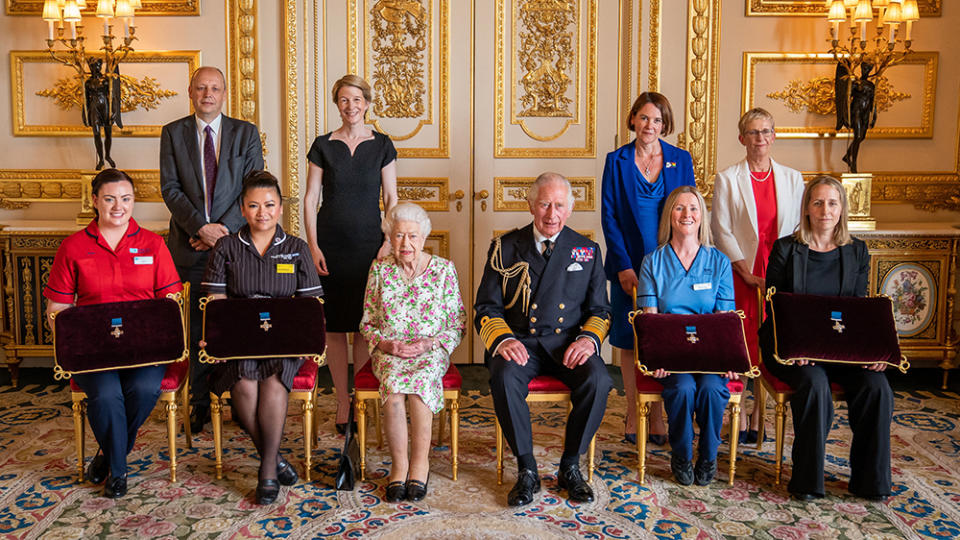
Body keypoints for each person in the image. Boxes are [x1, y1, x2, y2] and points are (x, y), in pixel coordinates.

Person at [44, 169, 183, 498]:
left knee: (146, 387)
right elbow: (57, 309)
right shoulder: (74, 247)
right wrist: (70, 337)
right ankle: (118, 473)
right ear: (94, 201)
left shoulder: (153, 243)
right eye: (109, 199)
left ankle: (107, 454)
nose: (118, 206)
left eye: (126, 199)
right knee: (106, 396)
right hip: (94, 352)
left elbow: (171, 301)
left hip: (144, 348)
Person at [475, 172, 612, 507]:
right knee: (504, 377)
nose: (552, 213)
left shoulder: (587, 250)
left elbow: (601, 310)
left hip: (567, 344)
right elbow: (485, 307)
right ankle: (527, 470)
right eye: (545, 204)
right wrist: (503, 340)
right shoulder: (505, 247)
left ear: (570, 209)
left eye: (559, 205)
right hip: (521, 342)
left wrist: (588, 340)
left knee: (599, 379)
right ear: (530, 206)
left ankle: (569, 466)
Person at [760, 175, 891, 502]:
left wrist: (872, 352)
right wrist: (795, 348)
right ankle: (807, 481)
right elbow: (774, 308)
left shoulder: (857, 251)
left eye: (832, 203)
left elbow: (859, 310)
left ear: (842, 209)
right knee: (814, 384)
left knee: (878, 387)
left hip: (843, 350)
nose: (825, 210)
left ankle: (869, 482)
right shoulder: (786, 249)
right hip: (793, 349)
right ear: (806, 208)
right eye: (818, 202)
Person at [201, 171, 324, 505]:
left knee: (271, 380)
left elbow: (310, 305)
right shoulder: (226, 247)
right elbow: (217, 303)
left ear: (281, 207)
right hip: (240, 339)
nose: (262, 212)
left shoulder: (297, 248)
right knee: (243, 384)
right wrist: (214, 335)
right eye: (253, 206)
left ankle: (267, 469)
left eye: (269, 205)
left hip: (285, 340)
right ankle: (276, 459)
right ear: (242, 209)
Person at [160, 66, 265, 434]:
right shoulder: (172, 133)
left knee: (235, 324)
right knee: (196, 326)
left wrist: (220, 232)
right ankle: (200, 403)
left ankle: (239, 399)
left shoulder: (245, 133)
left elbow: (254, 188)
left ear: (224, 93)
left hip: (236, 247)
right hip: (189, 245)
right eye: (201, 87)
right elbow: (170, 189)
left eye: (215, 88)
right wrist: (199, 228)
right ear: (190, 91)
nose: (208, 93)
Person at [304, 74, 399, 434]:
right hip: (330, 243)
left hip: (369, 246)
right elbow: (311, 198)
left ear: (367, 103)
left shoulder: (383, 145)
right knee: (334, 327)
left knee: (362, 326)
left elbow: (391, 199)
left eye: (357, 100)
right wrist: (312, 246)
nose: (351, 106)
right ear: (337, 103)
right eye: (344, 100)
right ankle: (343, 402)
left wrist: (388, 242)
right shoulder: (322, 146)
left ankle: (359, 396)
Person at [601, 91, 695, 446]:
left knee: (665, 335)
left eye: (657, 120)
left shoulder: (679, 159)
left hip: (671, 264)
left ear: (665, 124)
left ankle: (661, 411)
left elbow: (689, 210)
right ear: (633, 120)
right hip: (629, 264)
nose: (650, 126)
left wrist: (682, 261)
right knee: (629, 339)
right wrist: (624, 266)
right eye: (644, 118)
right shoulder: (617, 160)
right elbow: (609, 216)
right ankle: (635, 410)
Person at [710, 108, 805, 443]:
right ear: (742, 139)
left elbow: (798, 230)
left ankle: (758, 415)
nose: (760, 138)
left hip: (779, 273)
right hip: (741, 273)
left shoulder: (794, 179)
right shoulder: (728, 178)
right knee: (741, 343)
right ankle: (734, 411)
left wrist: (776, 273)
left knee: (773, 344)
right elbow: (720, 229)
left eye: (765, 131)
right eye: (752, 132)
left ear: (774, 136)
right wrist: (746, 272)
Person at [360, 203, 466, 503]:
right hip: (391, 349)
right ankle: (399, 465)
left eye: (413, 236)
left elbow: (458, 323)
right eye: (398, 236)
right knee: (393, 386)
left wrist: (431, 344)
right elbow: (367, 322)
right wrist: (386, 345)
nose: (406, 244)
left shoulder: (444, 270)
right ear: (389, 238)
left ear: (424, 237)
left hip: (430, 349)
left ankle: (420, 464)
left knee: (420, 384)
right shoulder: (379, 270)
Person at [637, 185, 738, 486]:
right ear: (670, 215)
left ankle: (708, 457)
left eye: (693, 208)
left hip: (709, 357)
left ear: (701, 216)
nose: (687, 214)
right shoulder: (652, 262)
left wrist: (729, 359)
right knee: (681, 390)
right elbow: (650, 319)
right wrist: (657, 357)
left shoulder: (718, 262)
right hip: (670, 358)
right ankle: (681, 454)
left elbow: (724, 319)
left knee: (710, 390)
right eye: (679, 208)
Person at [83, 58, 122, 170]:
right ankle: (100, 159)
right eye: (92, 66)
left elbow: (113, 96)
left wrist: (114, 111)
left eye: (97, 66)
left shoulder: (106, 80)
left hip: (105, 106)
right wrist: (85, 115)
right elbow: (85, 100)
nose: (95, 68)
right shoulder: (88, 82)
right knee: (96, 133)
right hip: (94, 107)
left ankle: (108, 155)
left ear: (100, 66)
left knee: (108, 132)